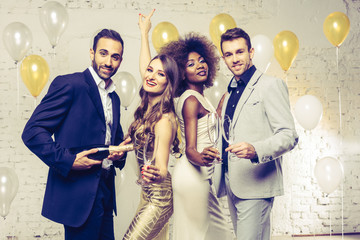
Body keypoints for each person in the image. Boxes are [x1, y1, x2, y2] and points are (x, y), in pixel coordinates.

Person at [22, 29, 131, 240]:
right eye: (103, 53)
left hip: (105, 194)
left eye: (115, 57)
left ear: (120, 60)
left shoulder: (114, 97)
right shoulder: (70, 84)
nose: (108, 62)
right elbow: (33, 132)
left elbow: (112, 142)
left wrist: (121, 153)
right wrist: (69, 160)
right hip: (78, 194)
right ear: (92, 53)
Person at [139, 10, 233, 240]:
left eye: (202, 60)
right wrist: (204, 157)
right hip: (193, 174)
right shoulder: (190, 100)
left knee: (219, 234)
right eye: (190, 64)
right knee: (195, 236)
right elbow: (191, 149)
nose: (199, 65)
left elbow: (209, 127)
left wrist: (220, 108)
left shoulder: (195, 98)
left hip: (200, 176)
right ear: (182, 72)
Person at [215, 27, 299, 240]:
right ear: (223, 58)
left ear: (251, 52)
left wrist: (256, 150)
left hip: (256, 185)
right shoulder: (229, 92)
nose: (235, 59)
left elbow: (289, 135)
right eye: (228, 54)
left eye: (239, 52)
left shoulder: (271, 85)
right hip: (232, 183)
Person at [122, 12, 180, 240]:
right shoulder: (148, 108)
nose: (152, 76)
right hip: (146, 194)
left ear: (169, 82)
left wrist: (157, 171)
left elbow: (163, 166)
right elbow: (146, 67)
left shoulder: (164, 119)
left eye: (161, 74)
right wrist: (144, 32)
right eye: (150, 71)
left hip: (159, 198)